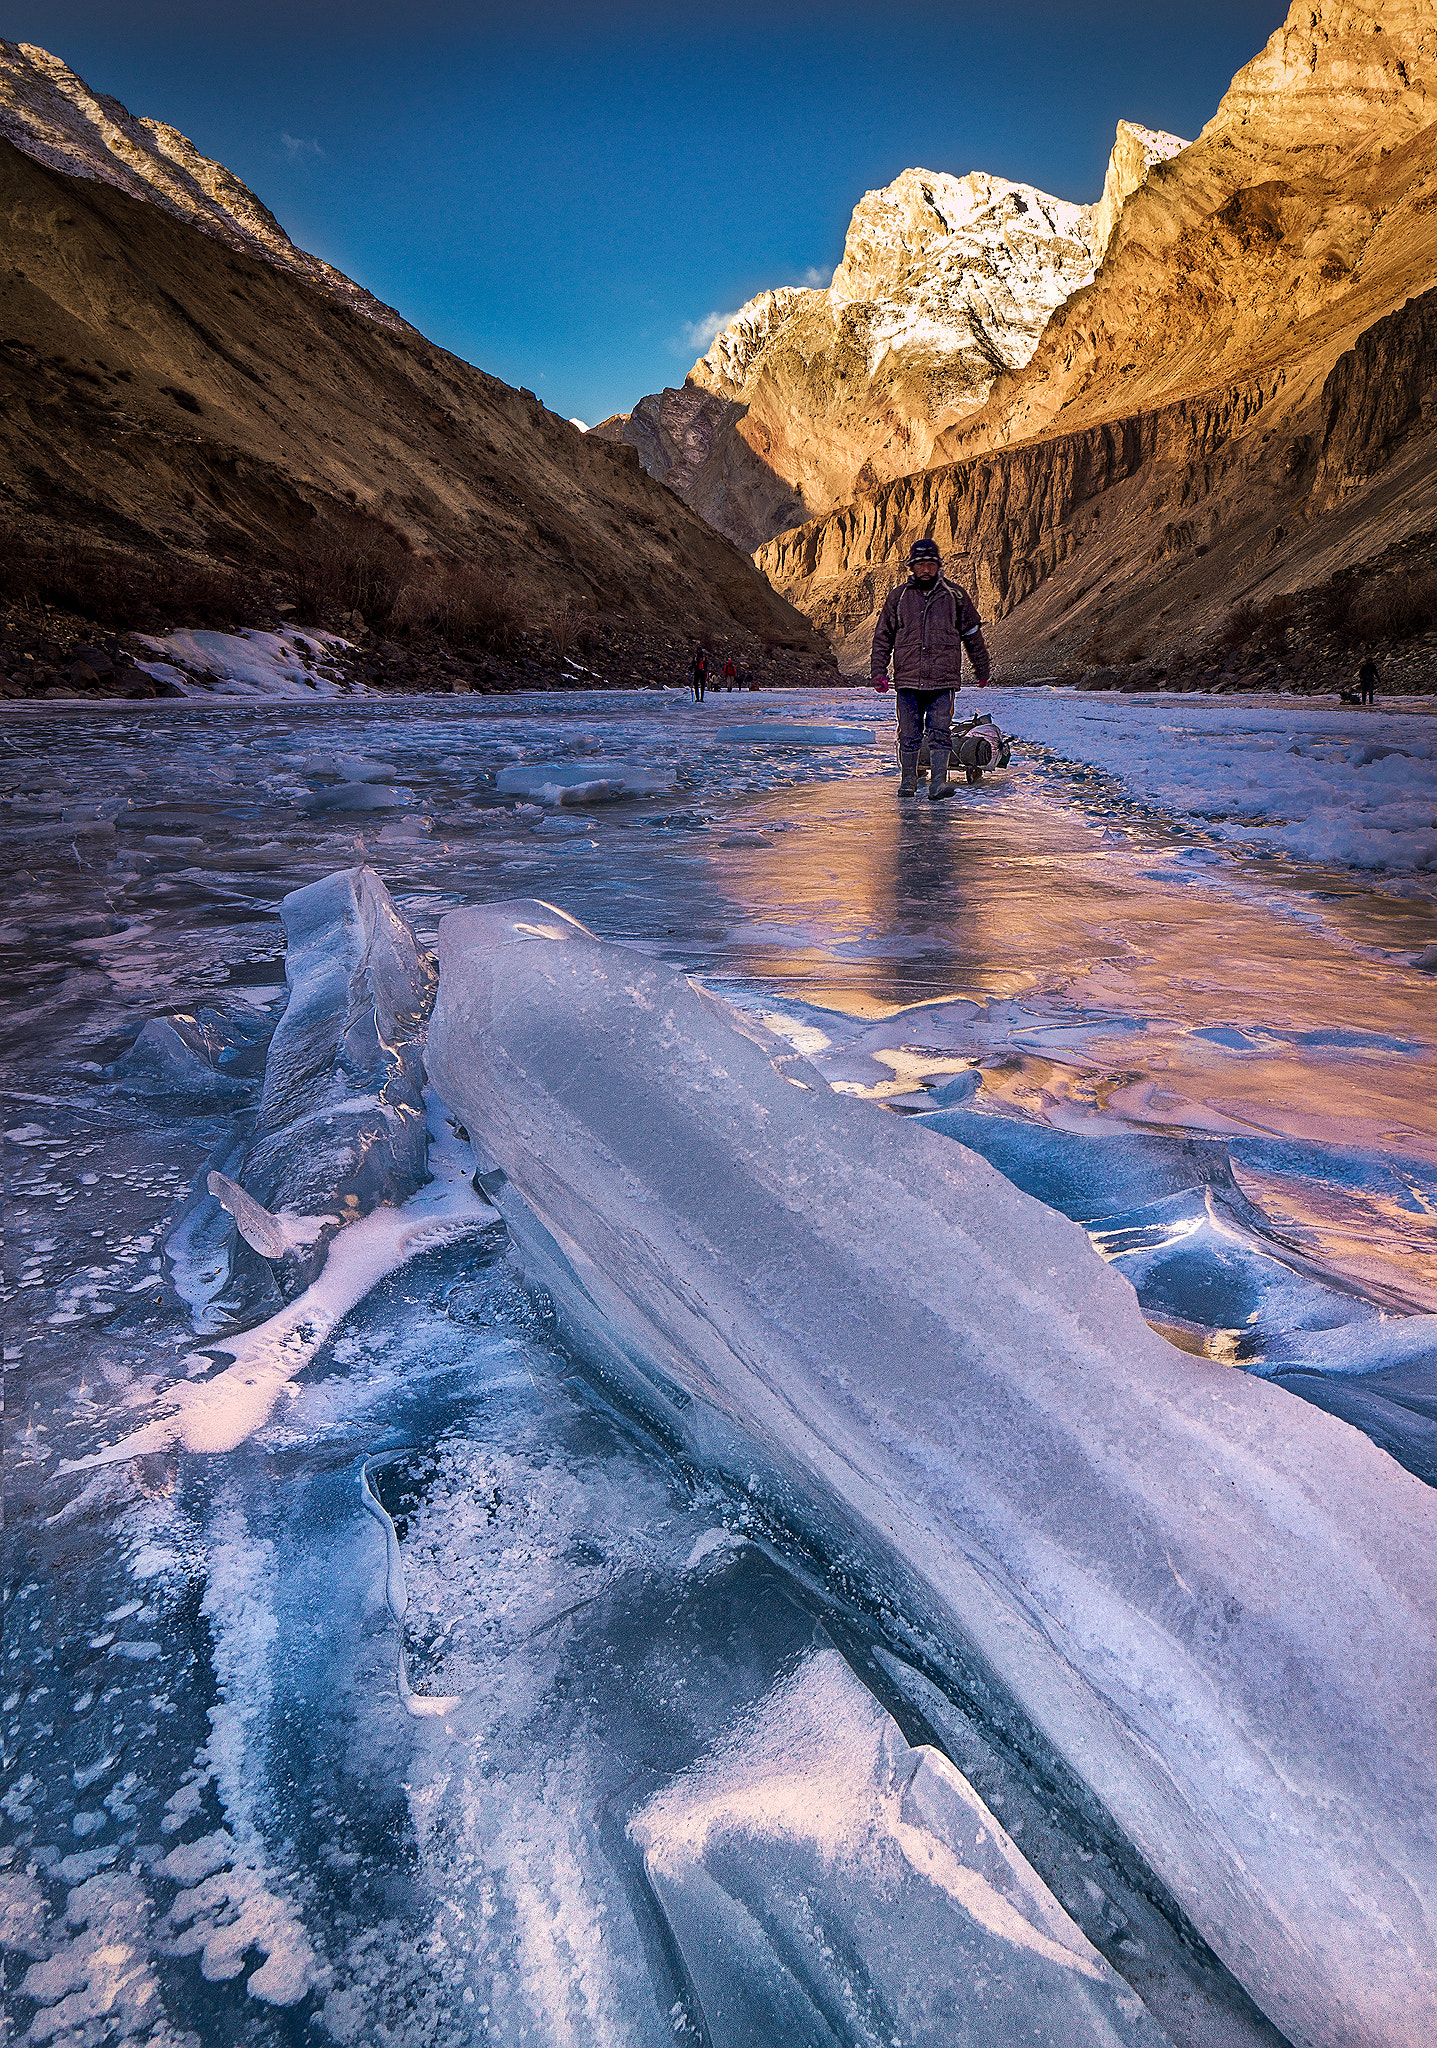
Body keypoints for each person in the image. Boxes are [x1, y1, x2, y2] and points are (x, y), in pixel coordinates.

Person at [870, 539, 990, 799]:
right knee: (909, 733)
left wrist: (982, 668)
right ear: (912, 566)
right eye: (921, 564)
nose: (926, 570)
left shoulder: (955, 596)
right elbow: (883, 636)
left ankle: (937, 784)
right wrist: (879, 671)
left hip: (942, 681)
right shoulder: (898, 597)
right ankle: (908, 782)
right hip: (908, 680)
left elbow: (972, 635)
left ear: (938, 565)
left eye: (930, 564)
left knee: (940, 731)